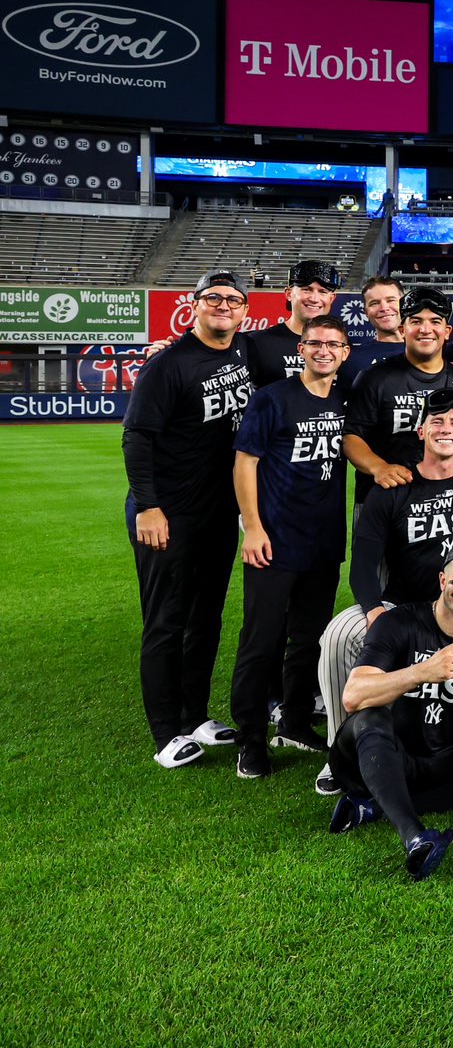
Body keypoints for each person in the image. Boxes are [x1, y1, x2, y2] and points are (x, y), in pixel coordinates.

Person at [318, 388, 453, 792]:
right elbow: (363, 568)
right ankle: (342, 748)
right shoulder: (393, 486)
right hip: (403, 608)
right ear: (421, 431)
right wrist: (372, 609)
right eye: (437, 421)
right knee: (338, 634)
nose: (446, 428)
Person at [326, 545, 453, 882]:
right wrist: (421, 672)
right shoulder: (399, 622)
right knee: (371, 719)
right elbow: (353, 696)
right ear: (442, 579)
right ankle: (414, 835)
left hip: (435, 760)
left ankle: (371, 807)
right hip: (377, 756)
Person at [125, 270, 254, 768]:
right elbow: (136, 437)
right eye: (214, 298)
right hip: (167, 511)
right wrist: (149, 506)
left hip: (217, 510)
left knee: (205, 618)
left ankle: (194, 716)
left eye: (233, 299)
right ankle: (165, 735)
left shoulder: (243, 352)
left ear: (244, 310)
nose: (224, 306)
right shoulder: (169, 365)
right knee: (165, 621)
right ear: (194, 305)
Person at [229, 314, 351, 779]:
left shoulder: (346, 401)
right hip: (273, 540)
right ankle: (251, 738)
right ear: (301, 348)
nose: (323, 350)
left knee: (309, 640)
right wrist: (253, 527)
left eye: (333, 344)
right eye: (315, 343)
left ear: (344, 354)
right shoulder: (272, 400)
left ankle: (296, 721)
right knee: (260, 640)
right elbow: (245, 464)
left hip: (322, 541)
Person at [344, 287, 453, 506]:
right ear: (402, 329)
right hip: (382, 499)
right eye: (416, 321)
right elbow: (351, 437)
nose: (425, 329)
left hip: (442, 504)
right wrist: (379, 467)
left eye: (435, 321)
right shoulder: (374, 378)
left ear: (447, 331)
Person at [246, 259, 341, 388]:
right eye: (306, 290)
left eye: (323, 292)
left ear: (332, 298)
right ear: (289, 294)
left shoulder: (340, 346)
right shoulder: (258, 343)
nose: (314, 299)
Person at [338, 275, 406, 390]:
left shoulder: (430, 353)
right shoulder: (351, 359)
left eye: (391, 300)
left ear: (405, 305)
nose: (384, 308)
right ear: (366, 312)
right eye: (374, 303)